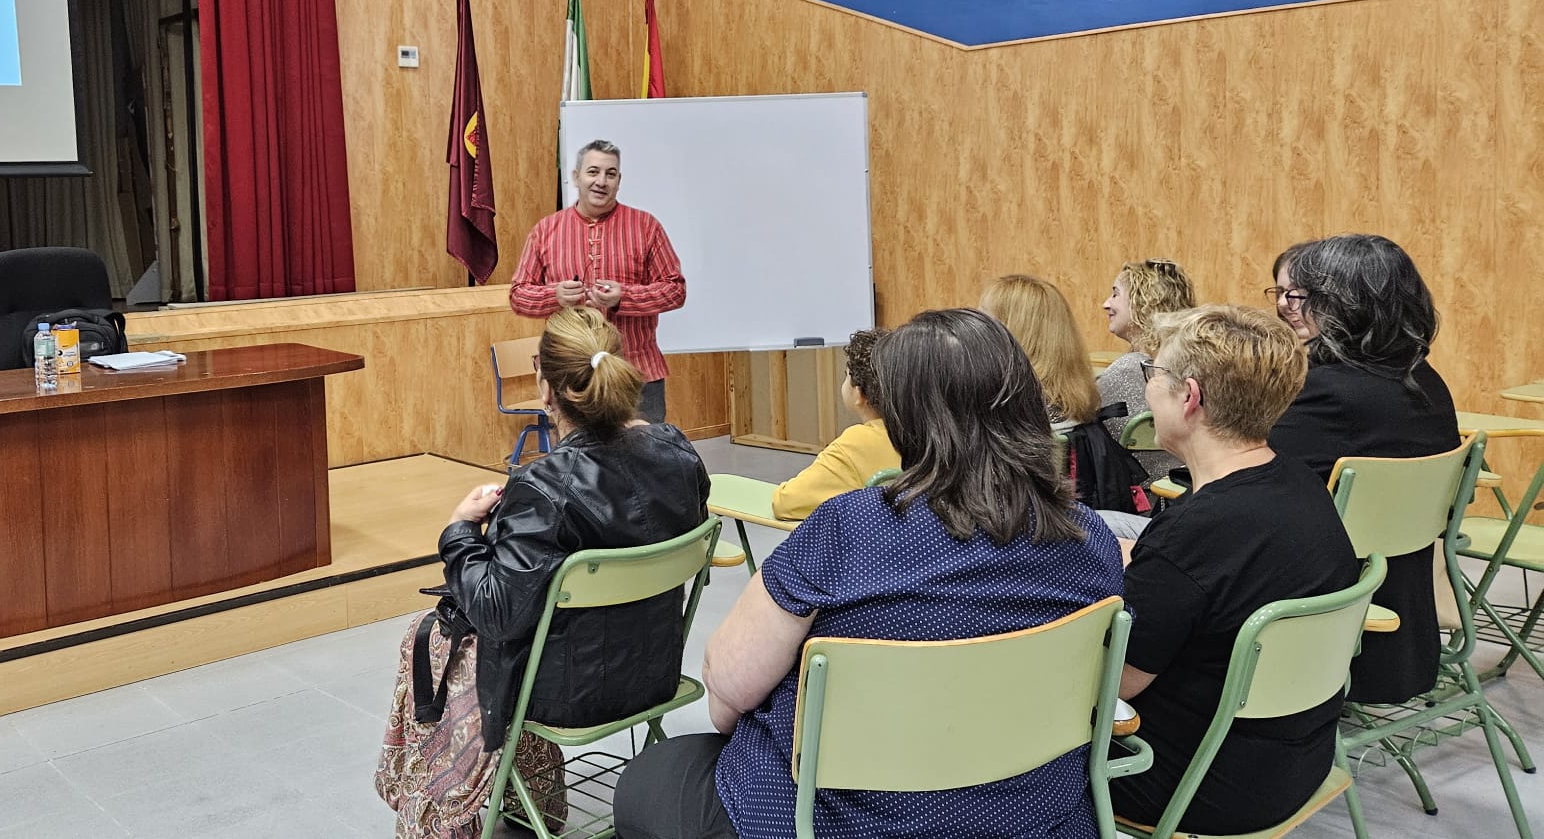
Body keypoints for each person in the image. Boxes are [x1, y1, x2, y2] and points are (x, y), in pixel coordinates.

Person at [612, 309, 1122, 839]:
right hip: (1033, 816)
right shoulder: (1090, 540)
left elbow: (728, 691)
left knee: (654, 777)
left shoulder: (850, 528)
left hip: (838, 820)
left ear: (902, 418)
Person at [377, 307, 709, 838]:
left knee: (429, 639)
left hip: (563, 696)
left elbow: (497, 612)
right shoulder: (678, 452)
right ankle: (524, 800)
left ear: (544, 386)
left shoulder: (542, 486)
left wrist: (462, 530)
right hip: (654, 674)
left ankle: (444, 815)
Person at [1111, 304, 1359, 833]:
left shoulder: (1196, 532)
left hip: (1195, 783)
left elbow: (1118, 683)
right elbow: (1209, 582)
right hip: (1298, 761)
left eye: (1154, 373)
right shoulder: (1300, 484)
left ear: (1189, 395)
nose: (1149, 388)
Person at [1265, 233, 1457, 704]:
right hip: (1405, 619)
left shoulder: (1325, 391)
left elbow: (1251, 489)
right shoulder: (1428, 384)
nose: (1291, 307)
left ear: (1347, 304)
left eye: (1304, 296)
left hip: (1326, 629)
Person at [510, 140, 684, 423]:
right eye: (593, 172)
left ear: (619, 180)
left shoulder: (646, 226)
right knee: (579, 464)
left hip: (636, 373)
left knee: (644, 462)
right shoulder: (546, 230)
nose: (601, 181)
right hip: (571, 375)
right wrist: (555, 296)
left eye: (610, 174)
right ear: (576, 176)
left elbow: (675, 290)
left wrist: (623, 298)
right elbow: (518, 295)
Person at [769, 327, 900, 520]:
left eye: (846, 375)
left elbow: (786, 502)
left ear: (859, 393)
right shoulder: (931, 431)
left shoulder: (857, 444)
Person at [1096, 259, 1195, 480]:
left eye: (1115, 294)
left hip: (1140, 500)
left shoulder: (1127, 371)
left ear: (1143, 302)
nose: (1105, 304)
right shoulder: (1192, 367)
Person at [980, 274, 1099, 427]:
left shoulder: (1007, 404)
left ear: (1014, 330)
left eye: (983, 316)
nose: (974, 324)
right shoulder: (1071, 398)